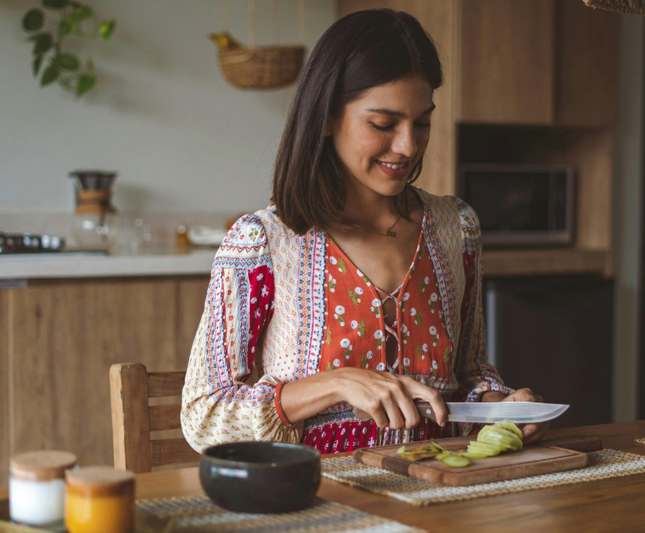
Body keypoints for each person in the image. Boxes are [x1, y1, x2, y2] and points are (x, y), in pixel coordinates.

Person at [181, 8, 547, 455]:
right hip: (317, 506)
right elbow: (205, 417)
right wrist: (336, 383)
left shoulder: (458, 229)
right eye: (383, 124)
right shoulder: (263, 241)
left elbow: (467, 378)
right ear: (327, 117)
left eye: (422, 122)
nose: (408, 146)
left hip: (441, 494)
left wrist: (503, 406)